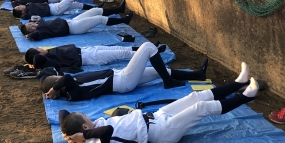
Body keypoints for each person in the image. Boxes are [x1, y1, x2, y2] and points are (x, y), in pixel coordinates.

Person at [59, 63, 259, 143]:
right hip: (161, 134)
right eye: (87, 119)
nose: (91, 118)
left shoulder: (90, 128)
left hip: (155, 117)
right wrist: (83, 136)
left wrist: (66, 132)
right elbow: (107, 132)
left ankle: (238, 83)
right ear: (84, 127)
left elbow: (62, 112)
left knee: (195, 97)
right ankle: (246, 96)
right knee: (201, 108)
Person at [40, 41, 208, 101]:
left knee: (159, 70)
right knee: (148, 47)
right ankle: (169, 82)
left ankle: (198, 75)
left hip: (120, 77)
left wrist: (55, 87)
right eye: (56, 78)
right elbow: (67, 79)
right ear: (57, 84)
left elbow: (66, 79)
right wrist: (54, 89)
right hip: (123, 82)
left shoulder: (70, 87)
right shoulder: (72, 93)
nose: (59, 76)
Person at [5, 42, 169, 77]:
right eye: (38, 50)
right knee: (122, 53)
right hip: (87, 57)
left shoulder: (48, 55)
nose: (41, 48)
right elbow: (38, 60)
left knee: (117, 48)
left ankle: (151, 48)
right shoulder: (47, 61)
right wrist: (30, 64)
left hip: (85, 50)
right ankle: (151, 53)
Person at [20, 8, 134, 41]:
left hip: (71, 21)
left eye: (30, 24)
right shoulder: (40, 32)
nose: (32, 25)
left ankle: (118, 9)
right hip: (74, 28)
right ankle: (124, 20)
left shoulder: (39, 24)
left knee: (94, 11)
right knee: (99, 19)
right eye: (31, 28)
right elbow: (35, 36)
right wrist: (29, 35)